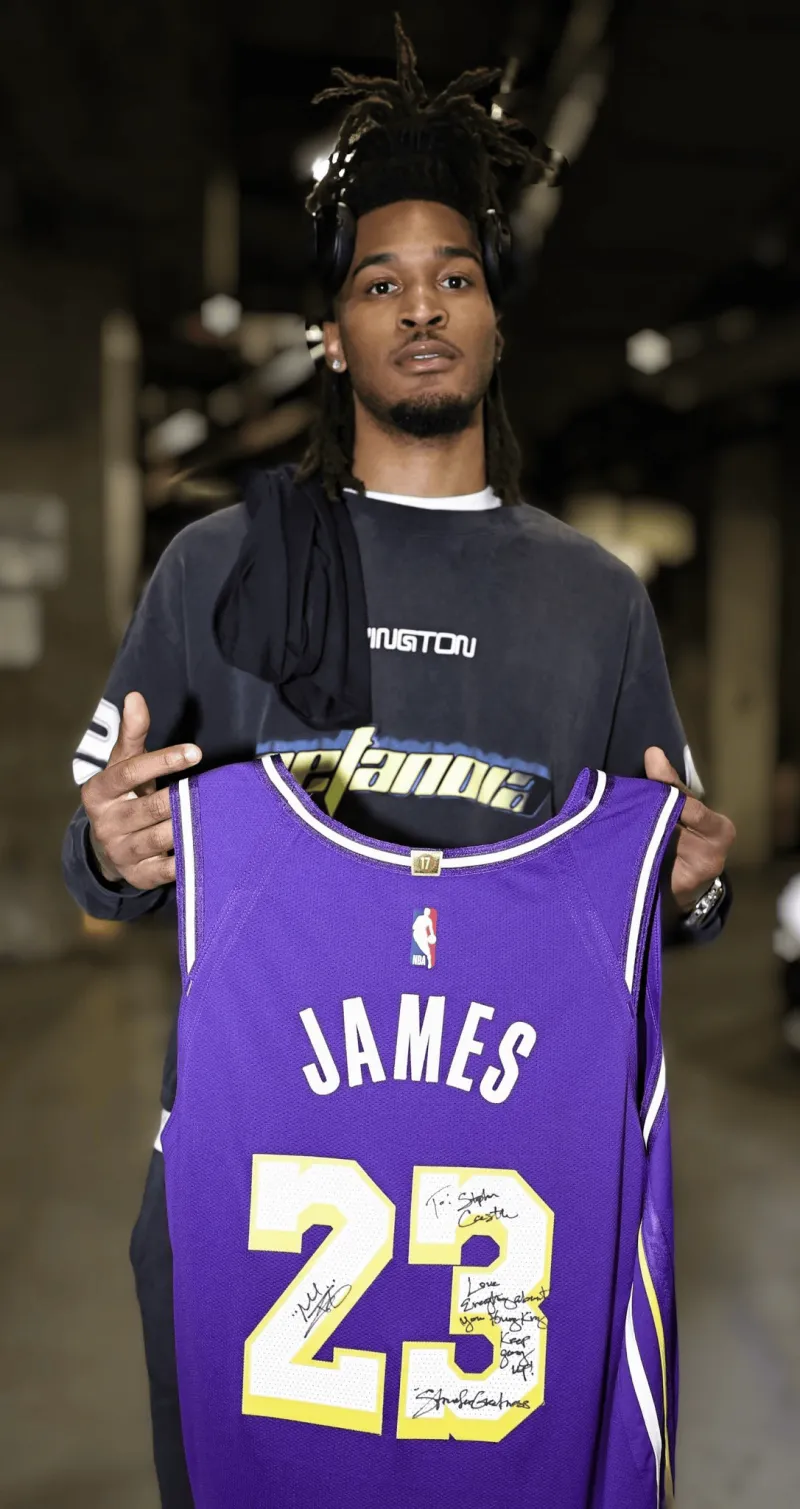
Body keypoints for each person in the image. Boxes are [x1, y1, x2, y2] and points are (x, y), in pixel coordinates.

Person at [62, 18, 736, 1506]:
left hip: (515, 1212)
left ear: (496, 322)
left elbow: (667, 898)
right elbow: (103, 856)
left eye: (455, 279)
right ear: (332, 335)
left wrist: (689, 883)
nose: (419, 308)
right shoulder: (222, 570)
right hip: (268, 1197)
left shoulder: (594, 597)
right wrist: (110, 849)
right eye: (380, 283)